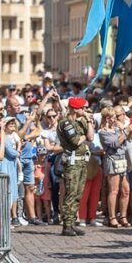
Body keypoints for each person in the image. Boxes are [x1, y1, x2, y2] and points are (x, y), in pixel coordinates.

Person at [57, 96, 94, 236]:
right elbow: (75, 141)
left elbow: (91, 137)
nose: (84, 110)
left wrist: (88, 120)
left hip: (81, 162)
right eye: (81, 108)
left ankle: (72, 223)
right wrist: (84, 135)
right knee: (70, 194)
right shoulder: (65, 123)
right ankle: (66, 224)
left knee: (78, 194)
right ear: (73, 108)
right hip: (72, 162)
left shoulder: (80, 122)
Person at [99, 107, 131, 227]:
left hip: (122, 160)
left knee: (125, 190)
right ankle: (112, 217)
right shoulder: (103, 132)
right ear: (107, 118)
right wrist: (126, 132)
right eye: (112, 117)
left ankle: (123, 216)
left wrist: (126, 131)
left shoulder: (117, 129)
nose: (114, 119)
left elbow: (126, 140)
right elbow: (115, 143)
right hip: (112, 161)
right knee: (113, 190)